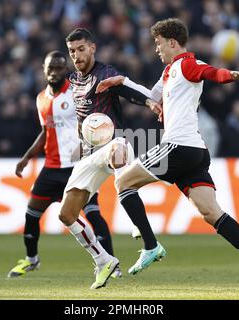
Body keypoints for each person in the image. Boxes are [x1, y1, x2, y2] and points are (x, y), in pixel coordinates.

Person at [96, 18, 239, 292]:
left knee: (123, 183)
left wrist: (231, 75)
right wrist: (123, 82)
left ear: (172, 42)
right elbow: (150, 97)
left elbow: (210, 72)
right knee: (210, 212)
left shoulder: (186, 64)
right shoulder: (168, 73)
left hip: (178, 146)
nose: (156, 49)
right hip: (195, 151)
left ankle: (150, 245)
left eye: (158, 43)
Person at [58, 28, 163, 289]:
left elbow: (126, 88)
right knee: (66, 213)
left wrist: (150, 103)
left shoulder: (105, 72)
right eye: (72, 51)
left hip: (114, 142)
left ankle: (139, 226)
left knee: (118, 153)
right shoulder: (72, 81)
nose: (77, 55)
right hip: (87, 153)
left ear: (92, 48)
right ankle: (103, 259)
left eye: (81, 49)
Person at [7, 51, 117, 278]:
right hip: (51, 168)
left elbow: (95, 124)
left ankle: (111, 265)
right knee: (31, 215)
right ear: (44, 70)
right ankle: (31, 260)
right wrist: (27, 157)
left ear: (66, 69)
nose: (55, 72)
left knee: (93, 214)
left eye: (59, 67)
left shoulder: (77, 93)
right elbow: (46, 132)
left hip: (78, 167)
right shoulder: (41, 99)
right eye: (51, 68)